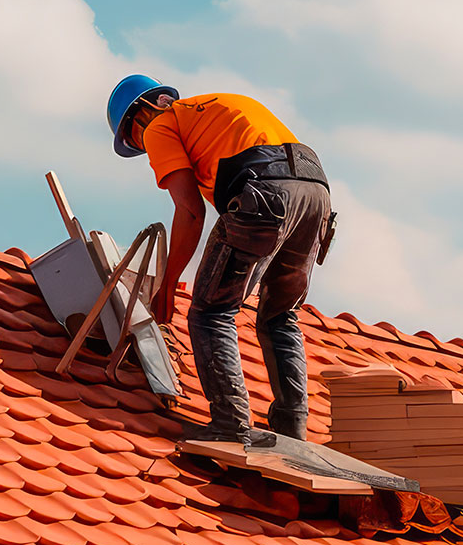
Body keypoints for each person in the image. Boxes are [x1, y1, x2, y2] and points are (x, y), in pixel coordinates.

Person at [106, 75, 333, 446]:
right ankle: (292, 428)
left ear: (140, 115)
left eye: (134, 141)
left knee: (210, 310)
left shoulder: (160, 126)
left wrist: (168, 282)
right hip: (315, 193)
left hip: (266, 188)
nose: (145, 150)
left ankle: (230, 422)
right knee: (279, 315)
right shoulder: (212, 108)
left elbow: (191, 211)